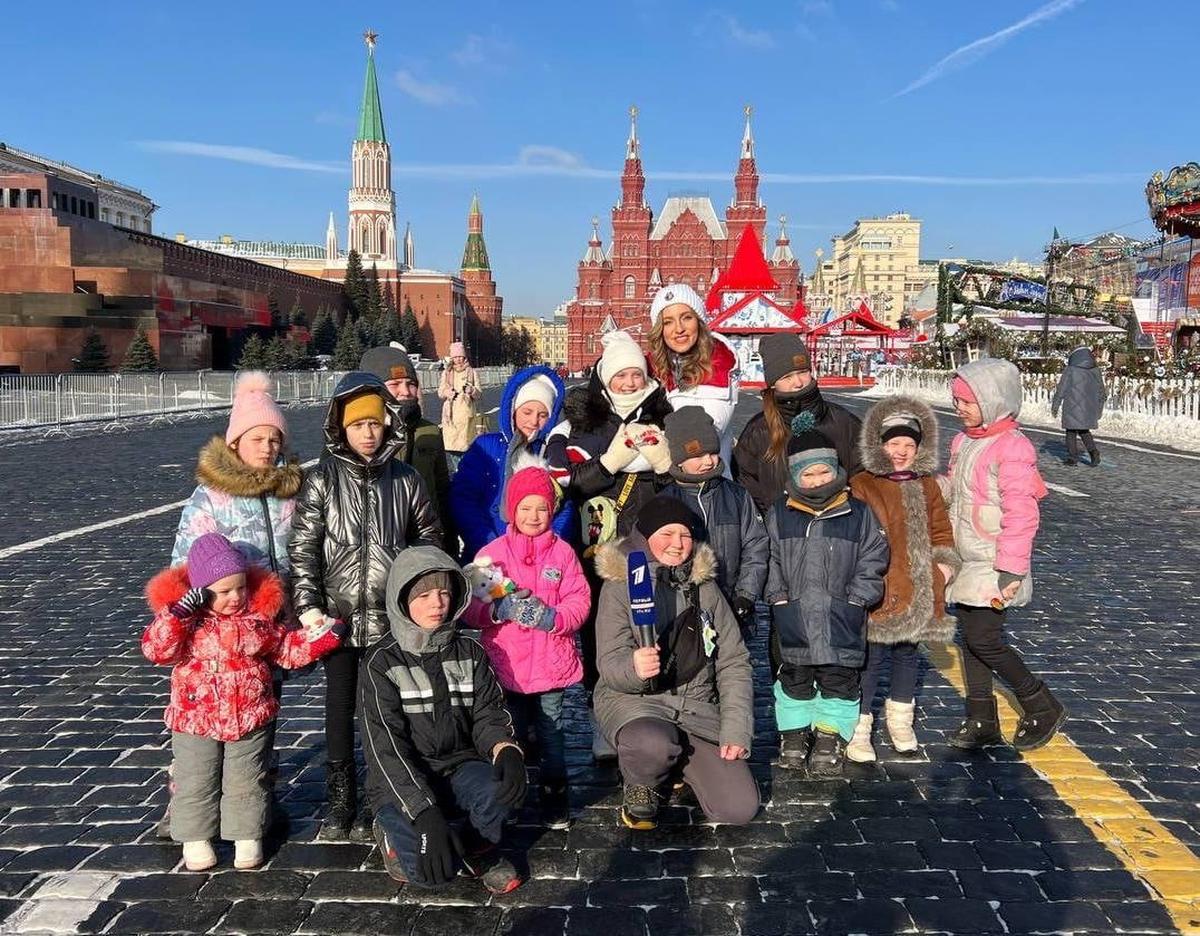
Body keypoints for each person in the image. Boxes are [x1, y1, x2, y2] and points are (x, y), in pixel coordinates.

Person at [289, 372, 442, 842]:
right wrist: (309, 606)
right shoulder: (320, 481)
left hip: (391, 619)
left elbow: (429, 541)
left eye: (374, 424)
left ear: (387, 424)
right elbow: (304, 550)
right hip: (337, 617)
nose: (368, 434)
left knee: (388, 710)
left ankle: (389, 792)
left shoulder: (407, 480)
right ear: (340, 428)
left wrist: (416, 599)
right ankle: (341, 797)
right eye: (358, 426)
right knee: (339, 710)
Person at [143, 533, 344, 871]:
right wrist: (176, 616)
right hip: (196, 719)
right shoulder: (187, 622)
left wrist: (322, 640)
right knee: (196, 778)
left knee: (248, 779)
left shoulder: (256, 621)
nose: (235, 597)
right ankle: (196, 839)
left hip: (250, 716)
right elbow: (156, 649)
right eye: (224, 592)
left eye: (240, 588)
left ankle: (246, 837)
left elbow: (286, 651)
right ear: (201, 591)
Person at [163, 369, 301, 838]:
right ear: (236, 442)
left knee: (260, 716)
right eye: (258, 438)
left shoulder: (288, 494)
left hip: (267, 625)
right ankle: (189, 809)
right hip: (215, 633)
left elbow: (301, 551)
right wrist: (204, 615)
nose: (267, 447)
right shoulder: (210, 497)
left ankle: (256, 802)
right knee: (203, 723)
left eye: (274, 439)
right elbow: (184, 563)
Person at [361, 547, 525, 894]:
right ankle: (392, 830)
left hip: (461, 766)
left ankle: (473, 846)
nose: (437, 603)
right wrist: (422, 812)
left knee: (504, 791)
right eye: (423, 595)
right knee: (429, 874)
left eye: (444, 592)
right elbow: (385, 748)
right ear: (403, 600)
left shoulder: (470, 651)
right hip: (402, 779)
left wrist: (505, 749)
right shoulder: (380, 662)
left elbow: (488, 713)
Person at [593, 496, 759, 830]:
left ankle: (676, 764)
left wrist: (736, 729)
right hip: (637, 704)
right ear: (645, 538)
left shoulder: (706, 587)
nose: (677, 544)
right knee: (651, 743)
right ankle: (642, 781)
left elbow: (733, 661)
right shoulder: (619, 586)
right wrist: (634, 667)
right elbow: (609, 664)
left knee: (738, 809)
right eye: (667, 534)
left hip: (697, 709)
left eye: (684, 535)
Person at [543, 329, 673, 714]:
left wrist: (665, 464)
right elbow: (570, 484)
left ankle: (653, 700)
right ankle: (602, 704)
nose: (630, 382)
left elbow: (679, 486)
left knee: (651, 618)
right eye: (621, 375)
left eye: (635, 374)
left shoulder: (664, 415)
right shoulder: (584, 421)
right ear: (605, 377)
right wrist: (609, 464)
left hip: (649, 540)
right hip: (597, 543)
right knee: (601, 625)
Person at [943, 359, 1067, 751]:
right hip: (966, 556)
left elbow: (1022, 511)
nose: (959, 408)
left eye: (967, 401)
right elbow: (960, 492)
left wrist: (1012, 568)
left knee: (986, 640)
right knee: (972, 638)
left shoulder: (1013, 446)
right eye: (957, 400)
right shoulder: (964, 441)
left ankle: (1040, 702)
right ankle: (981, 716)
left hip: (995, 560)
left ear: (993, 401)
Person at [463, 458, 590, 828]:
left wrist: (555, 618)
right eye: (526, 508)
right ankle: (511, 793)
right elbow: (470, 610)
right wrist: (498, 610)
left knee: (553, 734)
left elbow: (578, 599)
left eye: (542, 508)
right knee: (510, 733)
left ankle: (555, 792)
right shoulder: (492, 555)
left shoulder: (563, 553)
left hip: (551, 665)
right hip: (507, 668)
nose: (534, 516)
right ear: (511, 509)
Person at [765, 415, 889, 777]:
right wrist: (777, 595)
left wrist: (858, 596)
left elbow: (873, 556)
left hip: (842, 615)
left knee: (840, 680)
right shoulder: (780, 513)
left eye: (824, 472)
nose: (818, 481)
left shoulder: (858, 513)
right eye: (809, 474)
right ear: (795, 476)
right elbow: (768, 555)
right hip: (794, 616)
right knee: (794, 678)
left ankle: (829, 736)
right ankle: (794, 734)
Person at [847, 397, 960, 762]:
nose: (900, 452)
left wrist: (943, 565)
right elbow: (853, 531)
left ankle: (900, 721)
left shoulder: (926, 484)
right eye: (893, 443)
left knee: (908, 655)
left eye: (908, 445)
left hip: (919, 584)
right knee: (871, 658)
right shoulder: (863, 483)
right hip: (880, 584)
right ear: (879, 445)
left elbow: (941, 528)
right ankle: (860, 728)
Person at [659, 406, 768, 634]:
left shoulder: (737, 496)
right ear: (679, 459)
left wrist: (745, 594)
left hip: (731, 606)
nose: (707, 461)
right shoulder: (665, 501)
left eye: (712, 452)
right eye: (697, 455)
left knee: (733, 667)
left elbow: (755, 545)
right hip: (681, 613)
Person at [452, 364, 573, 562]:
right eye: (527, 412)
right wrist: (489, 544)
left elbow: (564, 505)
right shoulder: (487, 447)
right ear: (513, 410)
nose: (534, 421)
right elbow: (463, 498)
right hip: (487, 554)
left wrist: (549, 546)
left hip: (536, 559)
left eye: (542, 415)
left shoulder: (551, 452)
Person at [734, 334, 863, 516]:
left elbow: (862, 479)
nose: (798, 382)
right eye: (787, 376)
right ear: (772, 383)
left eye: (803, 372)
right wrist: (771, 525)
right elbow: (747, 489)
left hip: (840, 533)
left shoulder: (844, 422)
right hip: (782, 538)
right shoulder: (757, 432)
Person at [360, 343, 455, 551]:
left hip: (425, 543)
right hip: (376, 548)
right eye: (395, 384)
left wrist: (449, 541)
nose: (405, 391)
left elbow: (441, 491)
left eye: (411, 383)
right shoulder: (356, 436)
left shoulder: (430, 432)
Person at [645, 284, 739, 470]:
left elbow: (704, 437)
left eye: (686, 318)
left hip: (708, 481)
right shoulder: (657, 364)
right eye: (668, 322)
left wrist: (635, 450)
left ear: (699, 321)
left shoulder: (718, 360)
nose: (679, 328)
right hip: (666, 483)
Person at [1050, 346, 1105, 466]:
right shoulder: (1096, 370)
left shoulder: (1070, 370)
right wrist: (1099, 408)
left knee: (1071, 431)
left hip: (1072, 405)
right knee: (1084, 430)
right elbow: (1101, 391)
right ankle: (1093, 452)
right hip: (1088, 407)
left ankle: (1072, 458)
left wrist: (1055, 405)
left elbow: (1061, 389)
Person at [437, 341, 481, 470]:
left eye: (460, 356)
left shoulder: (472, 373)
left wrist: (471, 390)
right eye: (455, 357)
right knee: (452, 448)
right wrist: (447, 392)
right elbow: (440, 392)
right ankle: (459, 471)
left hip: (467, 416)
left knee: (467, 448)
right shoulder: (447, 373)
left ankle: (464, 473)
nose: (458, 359)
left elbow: (479, 393)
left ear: (464, 356)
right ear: (452, 358)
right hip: (451, 417)